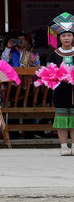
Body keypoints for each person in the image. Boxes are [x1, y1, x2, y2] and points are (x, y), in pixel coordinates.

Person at [44, 13, 74, 155]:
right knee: (61, 116)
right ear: (59, 38)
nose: (66, 38)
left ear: (73, 37)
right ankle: (63, 146)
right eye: (63, 36)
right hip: (60, 90)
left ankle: (73, 145)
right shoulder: (54, 54)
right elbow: (49, 72)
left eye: (69, 35)